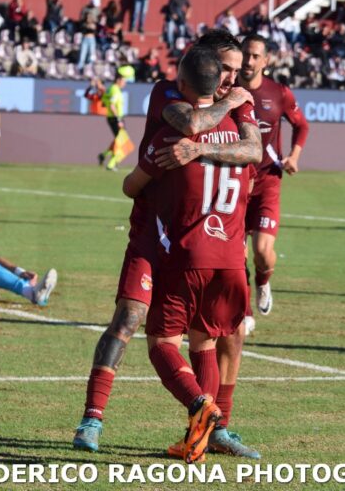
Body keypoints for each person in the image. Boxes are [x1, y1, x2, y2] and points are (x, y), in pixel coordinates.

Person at [72, 29, 261, 458]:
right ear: (207, 69)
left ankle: (209, 428)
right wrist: (227, 108)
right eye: (226, 70)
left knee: (207, 337)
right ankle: (92, 419)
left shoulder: (236, 108)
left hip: (195, 243)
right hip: (154, 238)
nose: (235, 78)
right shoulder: (166, 94)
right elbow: (195, 123)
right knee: (129, 319)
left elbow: (254, 150)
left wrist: (204, 144)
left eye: (238, 70)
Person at [123, 46, 253, 464]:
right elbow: (252, 153)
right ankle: (200, 438)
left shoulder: (172, 133)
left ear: (181, 83)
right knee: (205, 341)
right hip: (232, 257)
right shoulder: (237, 126)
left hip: (189, 253)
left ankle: (203, 407)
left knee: (161, 341)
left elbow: (132, 185)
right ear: (220, 82)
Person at [238, 34, 309, 319]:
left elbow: (302, 125)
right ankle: (244, 313)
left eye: (255, 55)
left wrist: (294, 156)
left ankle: (263, 282)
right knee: (235, 256)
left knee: (263, 251)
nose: (249, 60)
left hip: (268, 180)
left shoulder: (278, 92)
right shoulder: (226, 90)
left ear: (266, 61)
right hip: (236, 181)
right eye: (245, 54)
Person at [98, 65, 135, 171]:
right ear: (119, 80)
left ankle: (104, 155)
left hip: (112, 118)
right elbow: (112, 105)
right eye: (124, 80)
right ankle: (111, 164)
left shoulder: (111, 89)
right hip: (116, 118)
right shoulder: (115, 90)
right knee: (123, 142)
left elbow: (105, 102)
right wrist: (119, 119)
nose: (125, 83)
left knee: (118, 140)